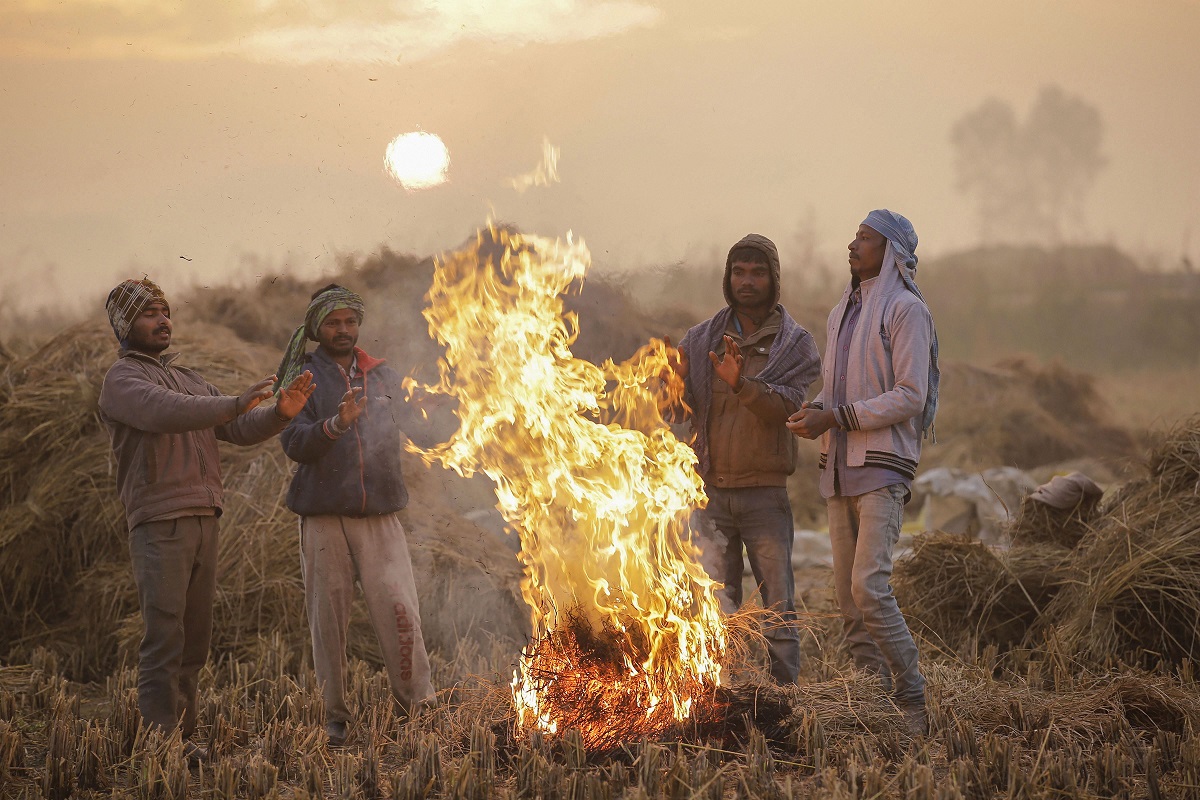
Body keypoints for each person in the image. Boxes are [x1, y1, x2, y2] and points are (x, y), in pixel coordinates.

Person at [98, 278, 315, 763]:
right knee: (164, 636)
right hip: (160, 520)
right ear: (125, 325)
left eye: (165, 311)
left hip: (204, 517)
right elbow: (167, 412)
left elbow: (236, 427)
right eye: (149, 313)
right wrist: (234, 402)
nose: (163, 320)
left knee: (194, 640)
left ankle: (184, 739)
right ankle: (160, 747)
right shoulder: (123, 381)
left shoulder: (192, 379)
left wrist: (279, 413)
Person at [786, 209, 939, 734]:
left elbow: (911, 395)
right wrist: (817, 410)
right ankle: (872, 705)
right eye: (853, 236)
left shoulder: (905, 310)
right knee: (850, 603)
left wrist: (840, 416)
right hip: (838, 467)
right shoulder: (840, 313)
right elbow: (839, 387)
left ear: (892, 251)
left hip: (882, 469)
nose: (852, 245)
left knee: (870, 588)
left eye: (865, 238)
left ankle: (913, 698)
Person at [278, 284, 435, 748]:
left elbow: (423, 430)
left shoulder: (382, 376)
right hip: (324, 517)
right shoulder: (303, 377)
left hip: (380, 515)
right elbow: (294, 444)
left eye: (350, 321)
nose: (342, 330)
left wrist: (457, 406)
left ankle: (418, 706)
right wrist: (336, 426)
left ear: (359, 324)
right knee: (328, 619)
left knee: (400, 611)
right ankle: (335, 718)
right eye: (332, 322)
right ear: (316, 328)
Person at [668, 234, 821, 684]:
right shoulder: (701, 341)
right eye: (738, 272)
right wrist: (665, 387)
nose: (746, 281)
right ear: (727, 278)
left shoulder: (794, 346)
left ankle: (785, 698)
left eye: (757, 273)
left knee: (778, 606)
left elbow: (785, 410)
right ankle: (724, 693)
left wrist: (741, 385)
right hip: (711, 494)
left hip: (765, 499)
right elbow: (682, 412)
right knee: (719, 604)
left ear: (774, 279)